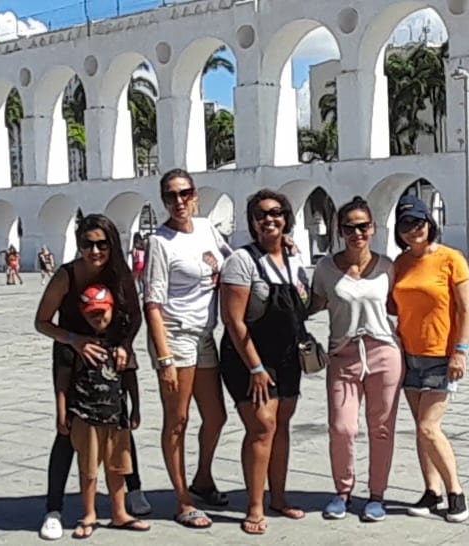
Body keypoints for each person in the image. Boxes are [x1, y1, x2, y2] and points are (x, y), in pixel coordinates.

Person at [34, 214, 151, 541]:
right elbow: (42, 321)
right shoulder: (67, 275)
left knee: (119, 422)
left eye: (102, 244)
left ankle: (132, 491)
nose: (95, 251)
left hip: (112, 353)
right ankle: (54, 509)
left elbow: (136, 316)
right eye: (88, 244)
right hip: (73, 355)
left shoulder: (119, 272)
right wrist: (75, 341)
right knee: (67, 430)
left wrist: (125, 345)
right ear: (79, 245)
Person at [143, 168, 231, 529]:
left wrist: (280, 245)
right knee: (177, 419)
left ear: (195, 195)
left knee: (216, 416)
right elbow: (152, 303)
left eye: (185, 193)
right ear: (163, 200)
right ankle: (182, 499)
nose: (179, 201)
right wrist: (163, 357)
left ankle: (202, 479)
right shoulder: (159, 242)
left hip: (205, 334)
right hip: (174, 335)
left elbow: (232, 261)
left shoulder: (207, 228)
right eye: (171, 195)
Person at [220, 188, 310, 535]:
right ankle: (255, 505)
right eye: (261, 214)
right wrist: (255, 368)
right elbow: (234, 321)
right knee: (262, 426)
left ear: (286, 218)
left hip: (286, 356)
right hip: (248, 357)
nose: (269, 219)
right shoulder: (241, 261)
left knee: (281, 425)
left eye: (276, 213)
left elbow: (304, 303)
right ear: (252, 222)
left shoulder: (294, 259)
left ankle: (279, 498)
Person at [310, 197, 404, 522]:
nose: (357, 233)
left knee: (382, 428)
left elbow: (399, 305)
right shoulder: (326, 269)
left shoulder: (387, 266)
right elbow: (312, 304)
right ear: (340, 231)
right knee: (342, 427)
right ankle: (342, 491)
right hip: (343, 354)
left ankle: (377, 495)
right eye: (349, 228)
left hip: (384, 353)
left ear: (373, 228)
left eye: (363, 226)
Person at [392, 195, 469, 523]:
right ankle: (431, 491)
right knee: (420, 428)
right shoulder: (400, 263)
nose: (413, 230)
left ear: (429, 223)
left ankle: (456, 493)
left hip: (441, 355)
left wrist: (460, 351)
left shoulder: (451, 259)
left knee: (429, 427)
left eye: (418, 222)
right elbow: (391, 303)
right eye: (405, 224)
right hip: (409, 355)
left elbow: (466, 310)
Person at [56, 284, 150, 538]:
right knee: (88, 470)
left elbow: (130, 377)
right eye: (92, 314)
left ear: (112, 310)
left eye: (102, 312)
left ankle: (119, 512)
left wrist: (136, 408)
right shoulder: (77, 344)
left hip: (116, 416)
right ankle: (89, 514)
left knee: (118, 468)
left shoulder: (121, 343)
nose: (98, 318)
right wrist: (61, 411)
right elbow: (63, 380)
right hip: (85, 415)